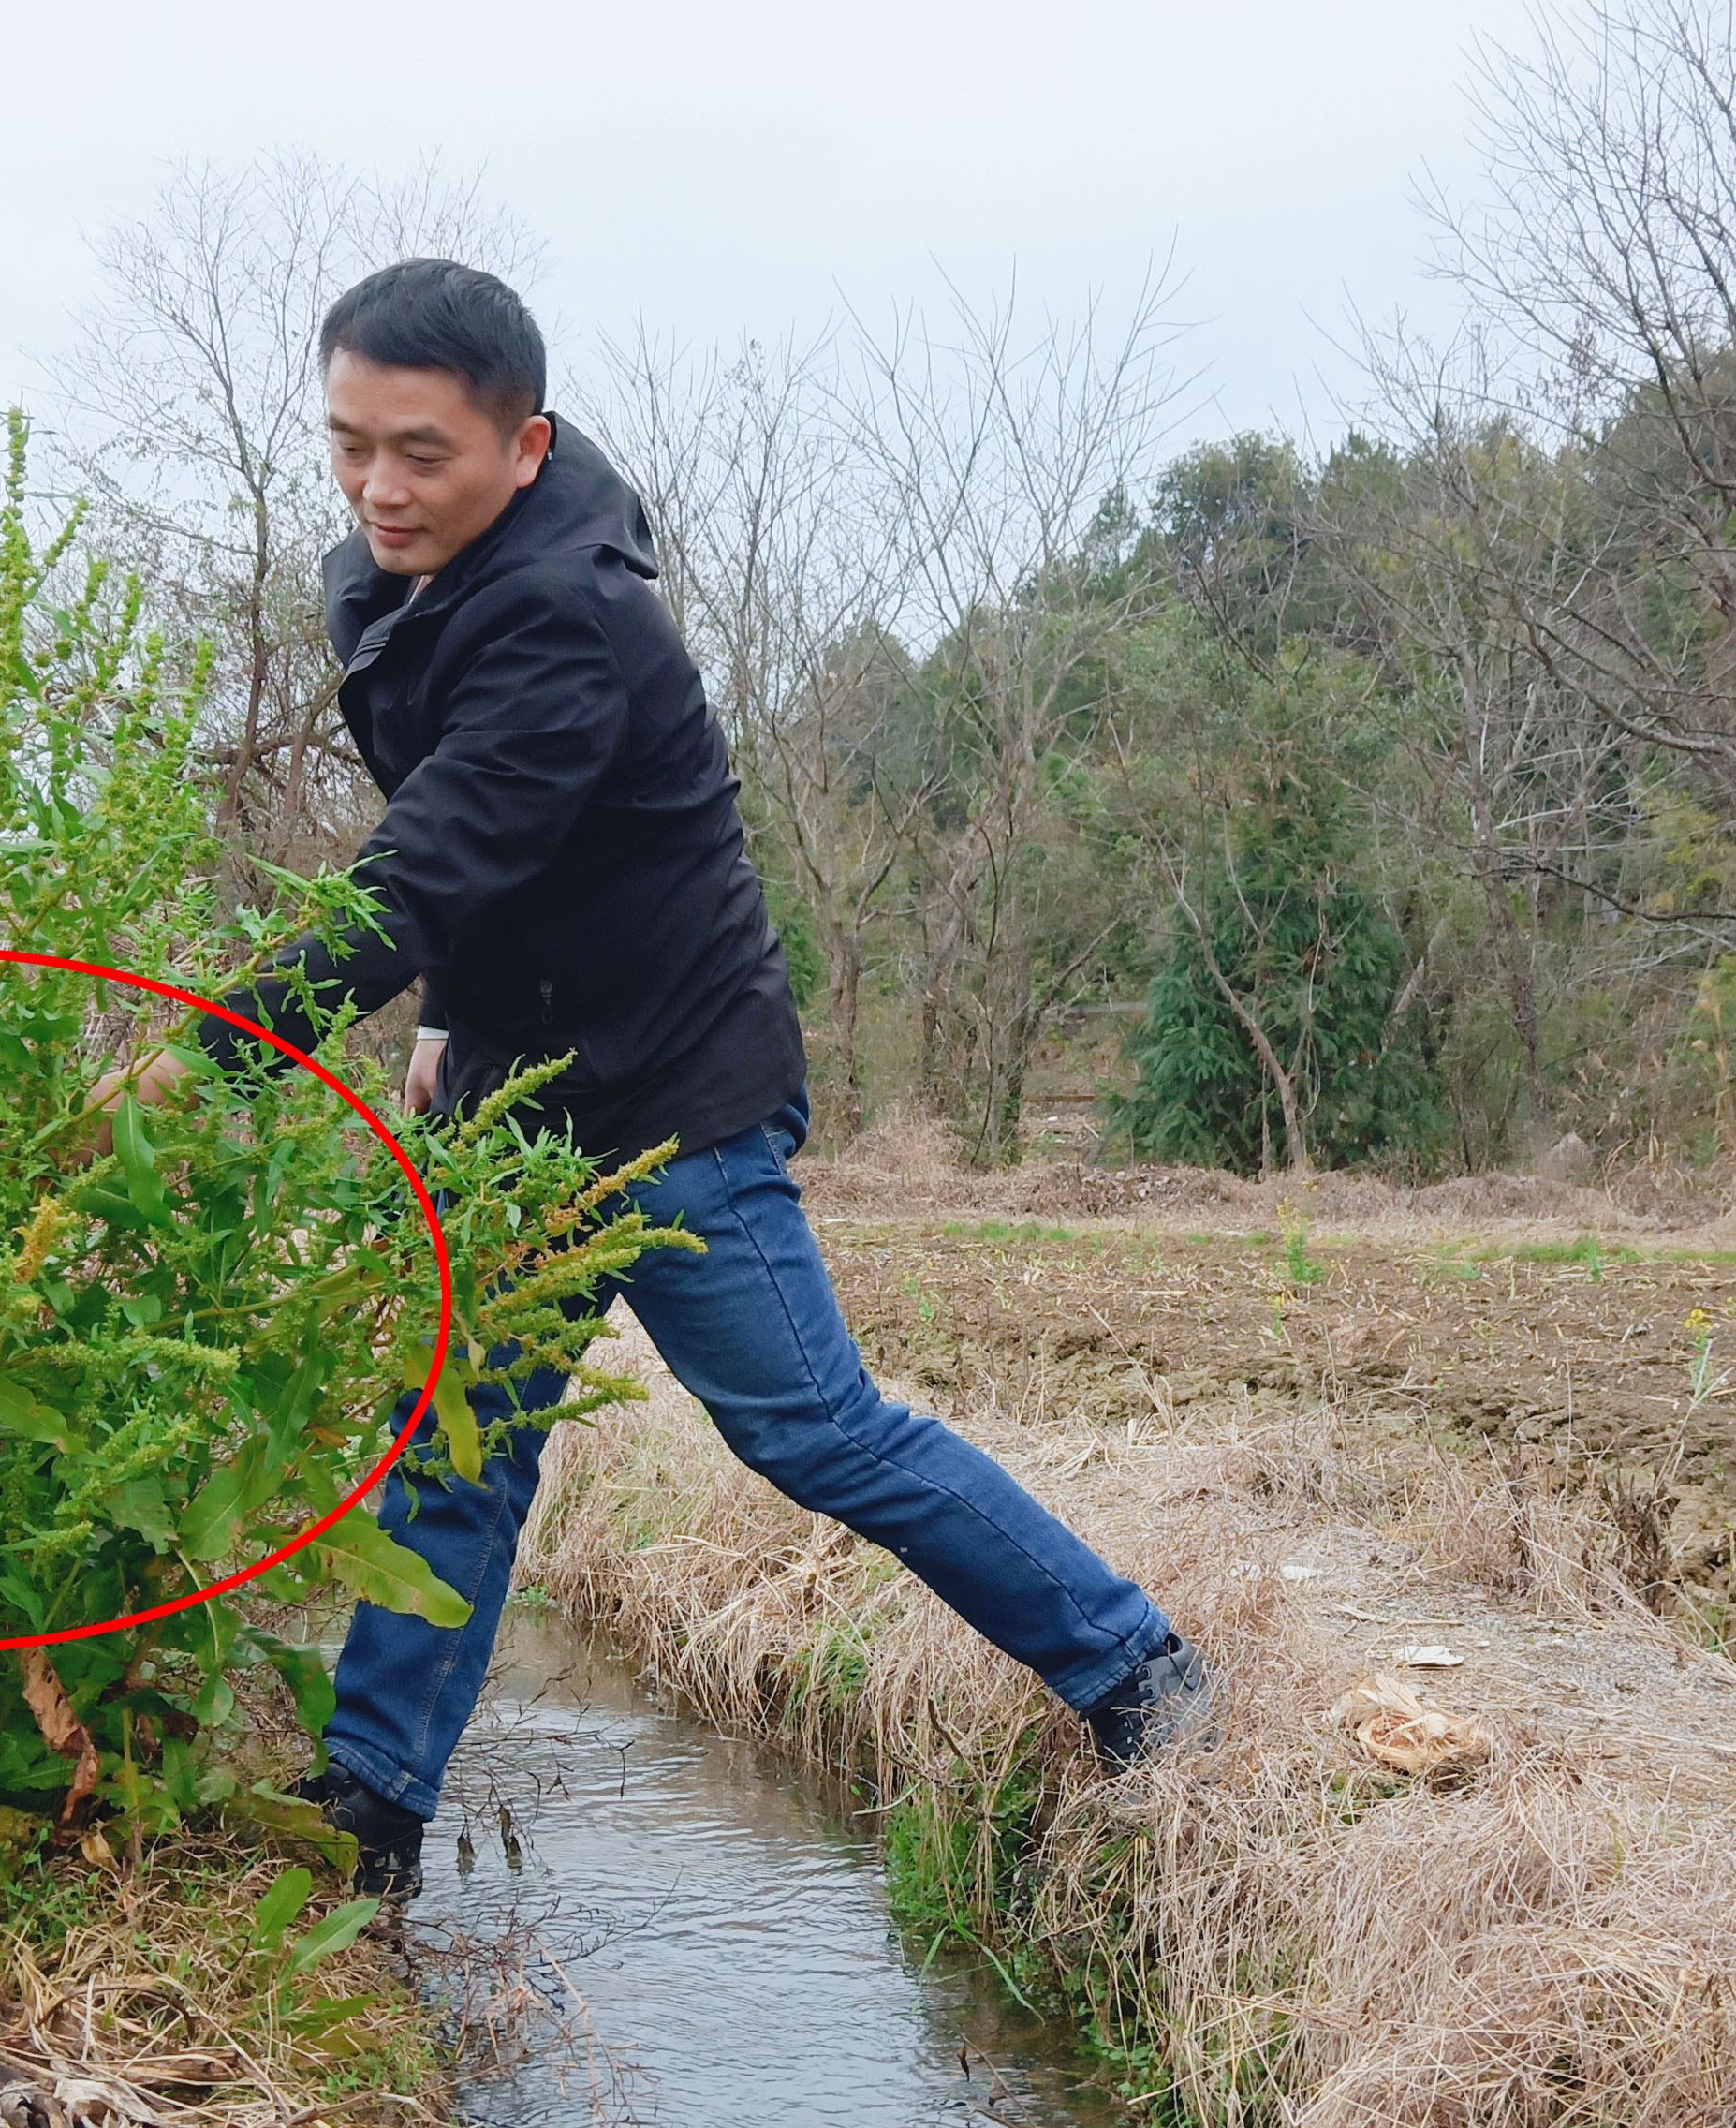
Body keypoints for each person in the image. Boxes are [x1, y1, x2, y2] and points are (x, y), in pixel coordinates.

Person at [109, 259, 1213, 1897]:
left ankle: (1143, 1678)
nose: (378, 487)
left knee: (812, 1431)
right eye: (350, 445)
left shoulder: (572, 617)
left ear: (525, 447)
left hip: (670, 1090)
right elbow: (487, 868)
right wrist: (446, 1029)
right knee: (461, 1444)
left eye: (421, 452)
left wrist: (217, 1050)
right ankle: (372, 1804)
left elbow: (427, 862)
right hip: (520, 1082)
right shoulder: (400, 577)